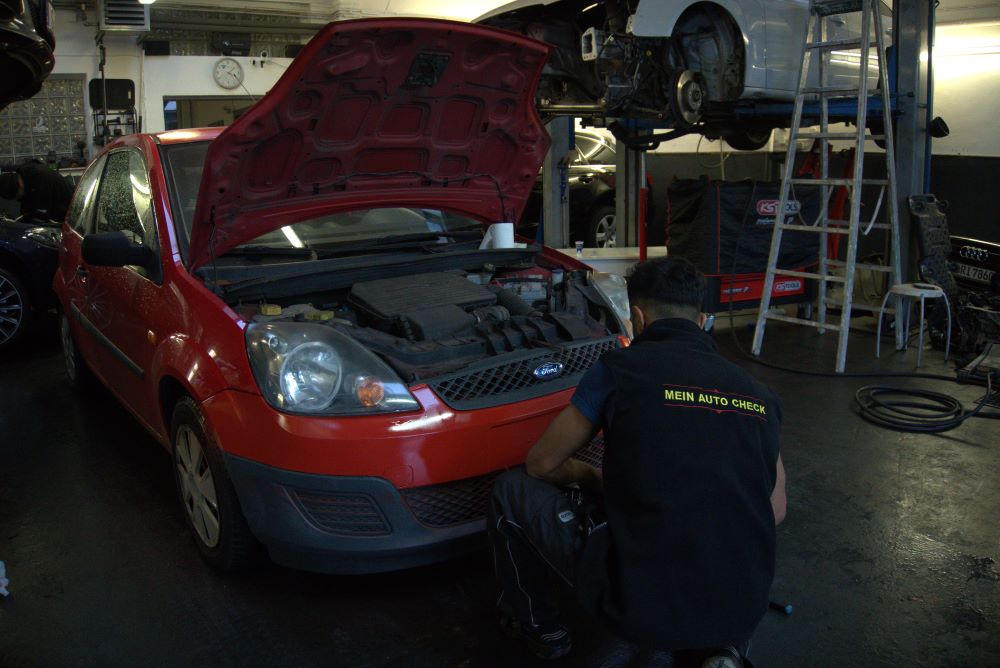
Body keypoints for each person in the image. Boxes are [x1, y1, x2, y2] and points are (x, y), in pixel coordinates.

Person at [487, 256, 786, 665]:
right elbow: (776, 509)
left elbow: (541, 463)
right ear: (702, 321)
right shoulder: (759, 394)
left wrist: (589, 475)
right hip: (742, 607)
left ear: (639, 318)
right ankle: (722, 646)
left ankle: (542, 629)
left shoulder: (619, 370)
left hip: (640, 605)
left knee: (511, 490)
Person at [0, 161, 75, 222]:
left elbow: (41, 215)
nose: (17, 199)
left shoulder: (40, 177)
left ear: (19, 186)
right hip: (56, 210)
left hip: (71, 213)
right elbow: (26, 208)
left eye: (17, 196)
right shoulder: (25, 177)